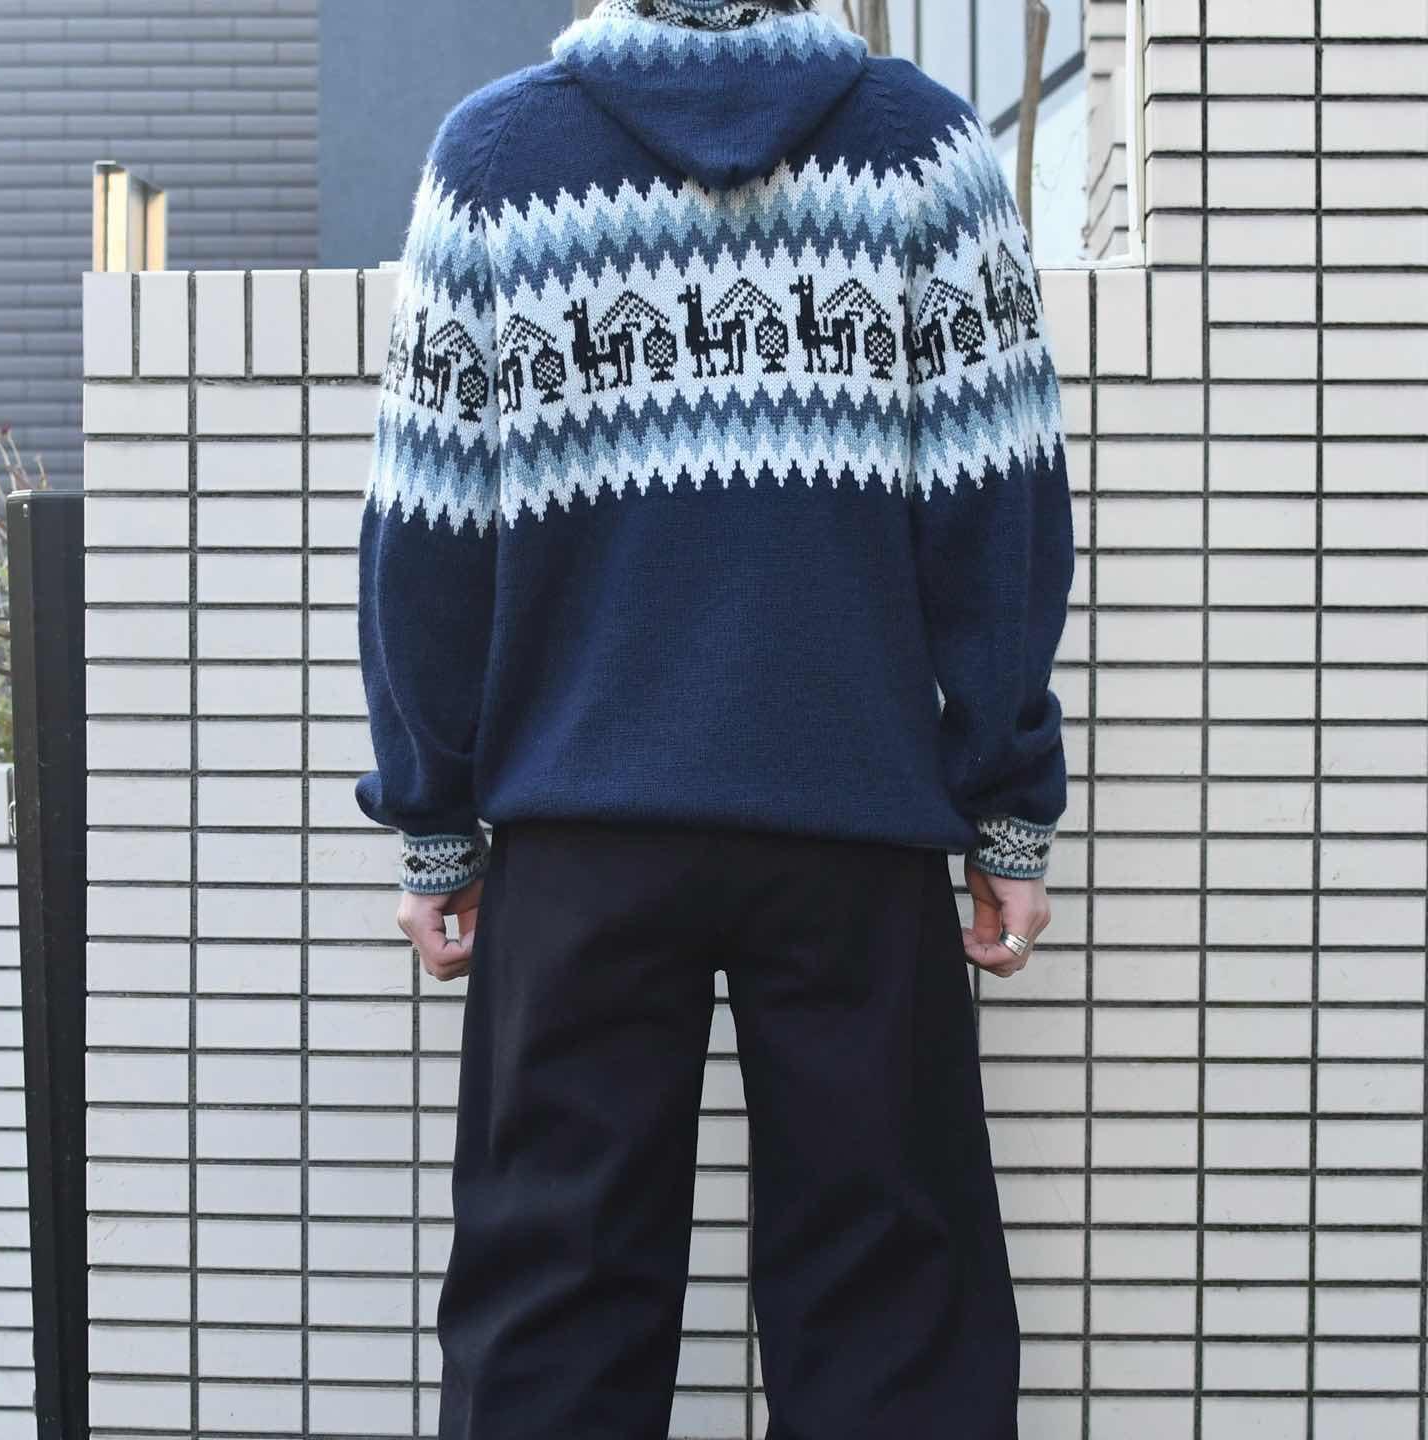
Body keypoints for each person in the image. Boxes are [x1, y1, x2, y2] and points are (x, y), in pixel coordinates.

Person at [354, 0, 1074, 1433]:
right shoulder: (924, 154)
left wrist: (434, 818)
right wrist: (1006, 802)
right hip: (853, 831)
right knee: (892, 1305)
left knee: (553, 1300)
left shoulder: (494, 163)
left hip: (581, 845)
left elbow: (430, 531)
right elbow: (999, 507)